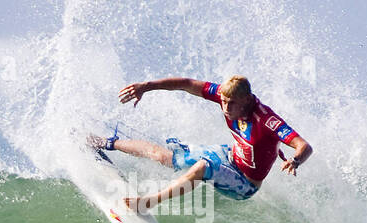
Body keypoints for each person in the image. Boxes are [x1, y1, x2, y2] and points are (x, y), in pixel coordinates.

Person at [89, 76, 312, 211]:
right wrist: (146, 86)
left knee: (203, 167)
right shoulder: (225, 95)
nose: (225, 107)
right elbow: (186, 84)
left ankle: (148, 203)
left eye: (231, 103)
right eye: (223, 101)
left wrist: (295, 160)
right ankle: (106, 143)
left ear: (246, 99)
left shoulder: (267, 120)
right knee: (165, 157)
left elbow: (304, 145)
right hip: (229, 156)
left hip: (245, 184)